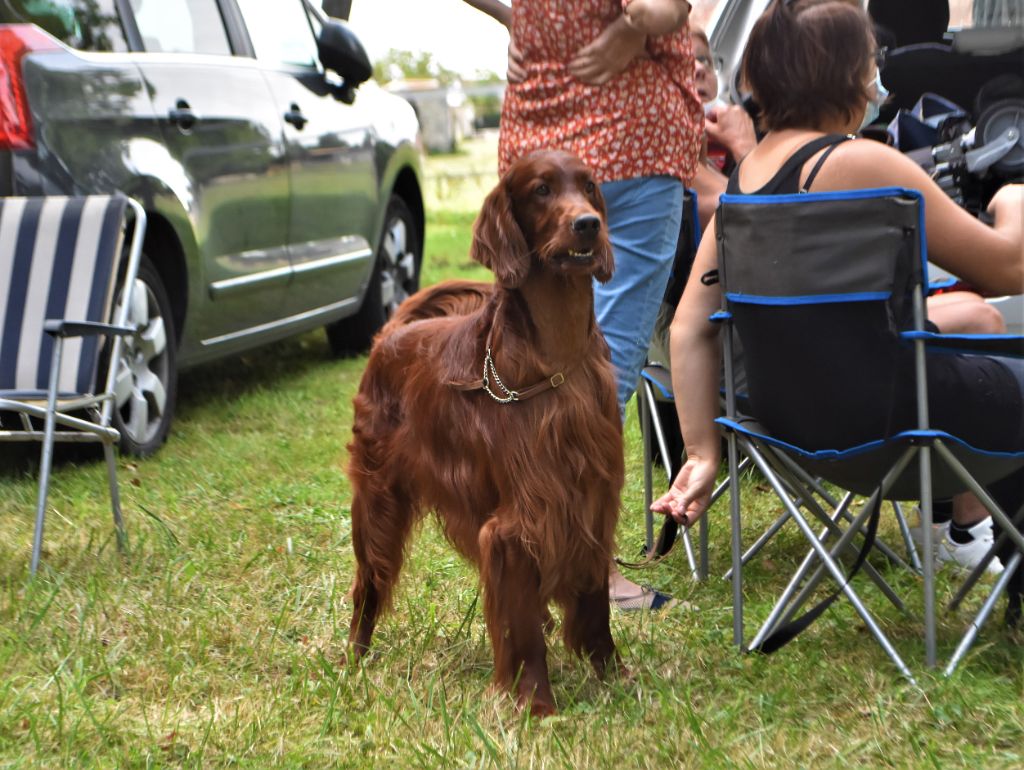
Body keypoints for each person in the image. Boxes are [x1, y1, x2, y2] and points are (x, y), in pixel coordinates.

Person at [651, 0, 1024, 581]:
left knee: (971, 324)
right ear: (844, 74)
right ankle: (975, 540)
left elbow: (689, 327)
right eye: (872, 62)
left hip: (789, 429)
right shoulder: (870, 163)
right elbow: (1009, 268)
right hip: (891, 424)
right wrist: (1012, 200)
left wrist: (701, 452)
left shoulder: (743, 185)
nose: (878, 77)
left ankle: (962, 532)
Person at [463, 0, 705, 610]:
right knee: (603, 363)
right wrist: (631, 26)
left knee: (529, 348)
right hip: (632, 130)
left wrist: (520, 17)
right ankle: (585, 567)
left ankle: (526, 537)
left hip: (538, 131)